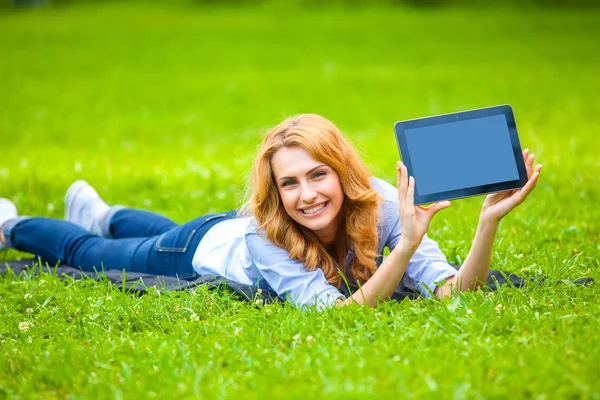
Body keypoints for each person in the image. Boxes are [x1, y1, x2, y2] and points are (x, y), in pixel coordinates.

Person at [0, 114, 542, 310]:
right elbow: (338, 317)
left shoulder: (383, 203)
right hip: (201, 251)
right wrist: (403, 250)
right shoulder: (267, 232)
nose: (305, 194)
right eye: (289, 183)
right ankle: (11, 223)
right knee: (90, 253)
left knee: (150, 232)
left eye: (317, 175)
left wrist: (487, 222)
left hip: (206, 235)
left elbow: (454, 292)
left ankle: (107, 211)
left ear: (343, 172)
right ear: (274, 190)